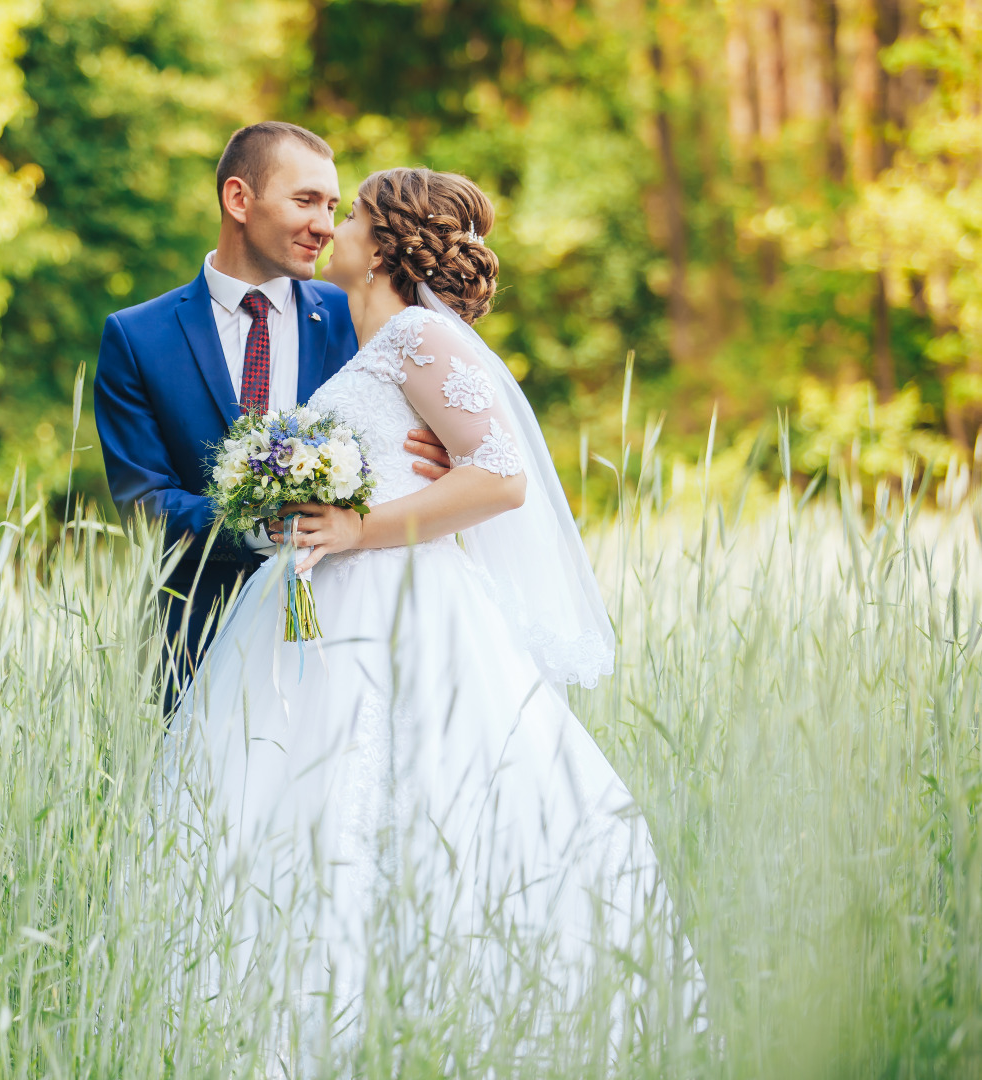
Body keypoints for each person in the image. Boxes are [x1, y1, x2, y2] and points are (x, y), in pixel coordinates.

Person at [172, 167, 702, 1067]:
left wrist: (353, 525)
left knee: (420, 803)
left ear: (382, 244)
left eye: (350, 217)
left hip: (402, 608)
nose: (332, 228)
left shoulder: (419, 334)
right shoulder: (368, 340)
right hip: (326, 604)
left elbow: (499, 479)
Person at [93, 123, 449, 692]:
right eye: (305, 200)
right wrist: (266, 526)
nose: (326, 226)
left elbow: (443, 417)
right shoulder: (138, 337)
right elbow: (144, 503)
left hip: (354, 631)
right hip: (201, 639)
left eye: (334, 206)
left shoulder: (356, 311)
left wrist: (438, 457)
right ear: (239, 199)